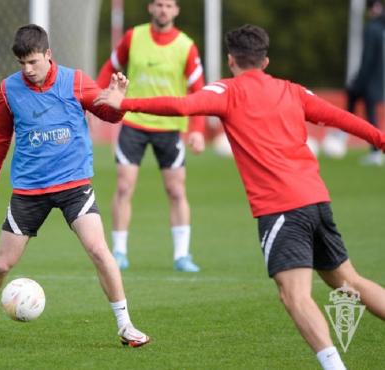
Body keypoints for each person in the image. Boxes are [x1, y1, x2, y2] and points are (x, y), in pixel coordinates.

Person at [95, 24, 385, 370]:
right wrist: (381, 141)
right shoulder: (292, 90)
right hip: (317, 202)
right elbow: (343, 118)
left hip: (282, 210)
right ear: (265, 61)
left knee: (294, 295)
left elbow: (181, 105)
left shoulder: (226, 91)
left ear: (231, 60)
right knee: (349, 282)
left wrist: (124, 102)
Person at [0, 24, 150, 347]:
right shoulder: (7, 90)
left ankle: (126, 325)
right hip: (29, 190)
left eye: (33, 62)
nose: (27, 70)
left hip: (74, 184)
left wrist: (117, 102)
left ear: (48, 55)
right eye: (21, 64)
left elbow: (109, 115)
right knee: (2, 264)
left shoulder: (76, 81)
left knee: (99, 251)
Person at [96, 0, 205, 272]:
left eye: (169, 5)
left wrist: (197, 130)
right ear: (150, 8)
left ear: (177, 10)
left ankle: (182, 255)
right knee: (123, 187)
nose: (163, 10)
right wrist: (97, 98)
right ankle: (119, 252)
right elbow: (110, 68)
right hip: (133, 123)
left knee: (176, 190)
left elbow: (198, 90)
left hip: (169, 127)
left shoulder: (186, 46)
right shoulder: (133, 37)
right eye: (159, 4)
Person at [345, 0, 385, 166]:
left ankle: (375, 150)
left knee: (369, 115)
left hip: (370, 79)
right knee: (366, 111)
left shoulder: (372, 29)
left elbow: (368, 58)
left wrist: (359, 79)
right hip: (378, 78)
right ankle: (341, 137)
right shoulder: (381, 29)